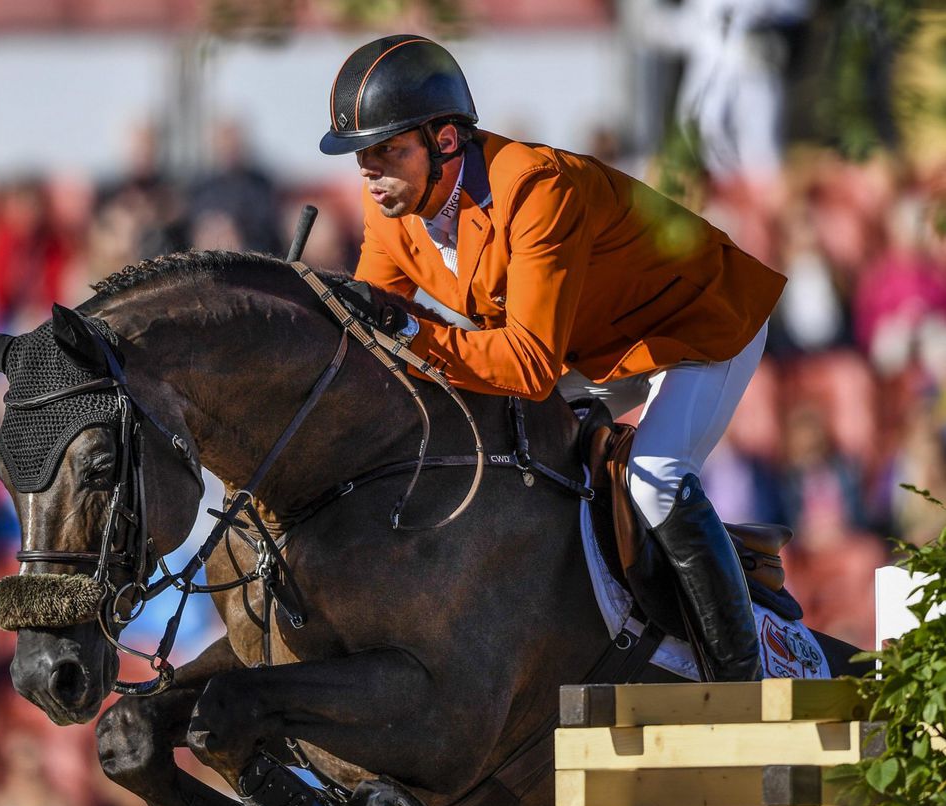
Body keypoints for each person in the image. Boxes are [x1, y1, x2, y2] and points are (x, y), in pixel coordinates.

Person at [319, 35, 788, 681]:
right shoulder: (392, 214)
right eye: (361, 156)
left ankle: (743, 677)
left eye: (386, 150)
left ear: (446, 141)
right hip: (594, 345)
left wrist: (404, 328)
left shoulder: (537, 188)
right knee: (501, 446)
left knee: (654, 476)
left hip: (698, 323)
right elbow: (374, 337)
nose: (368, 171)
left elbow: (527, 366)